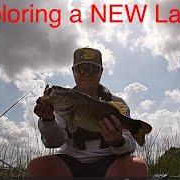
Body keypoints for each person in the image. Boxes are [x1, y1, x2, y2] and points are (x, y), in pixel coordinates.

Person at [27, 47, 148, 178]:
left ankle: (137, 129)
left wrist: (118, 141)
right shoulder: (60, 103)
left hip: (109, 161)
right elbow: (52, 142)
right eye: (80, 68)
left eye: (93, 68)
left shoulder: (117, 103)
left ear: (101, 72)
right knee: (37, 167)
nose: (86, 73)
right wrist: (48, 120)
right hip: (70, 160)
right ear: (73, 72)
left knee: (138, 167)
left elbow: (130, 146)